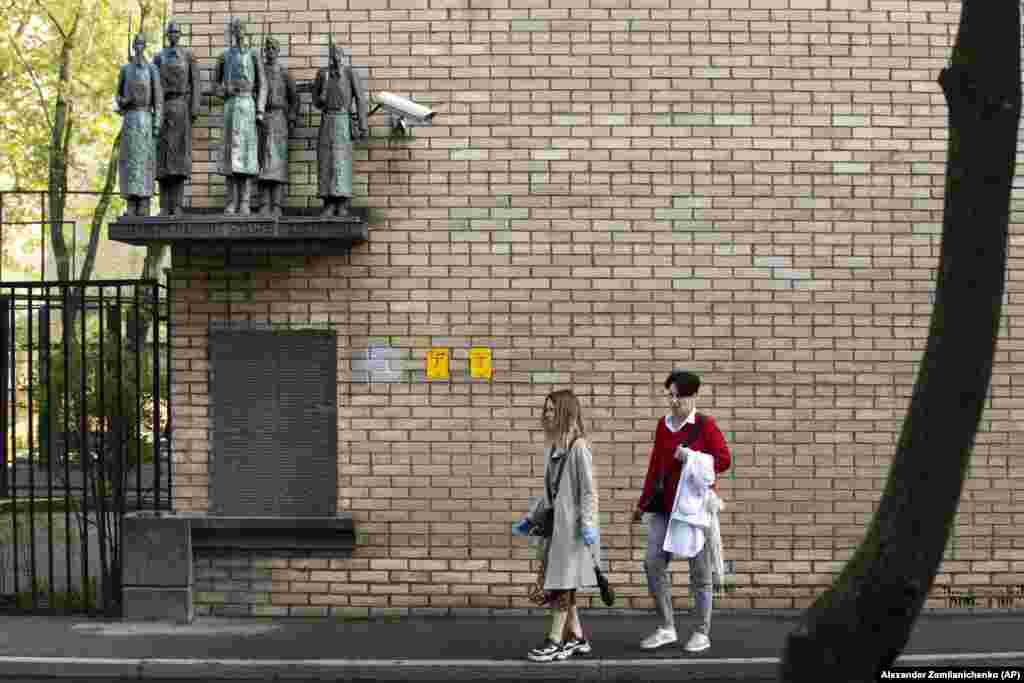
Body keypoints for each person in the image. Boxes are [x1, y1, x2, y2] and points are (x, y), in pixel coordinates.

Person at [632, 370, 731, 653]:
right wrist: (642, 503)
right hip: (664, 506)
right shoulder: (663, 426)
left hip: (693, 509)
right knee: (653, 563)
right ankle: (666, 627)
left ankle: (702, 631)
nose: (674, 401)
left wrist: (691, 456)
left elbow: (724, 461)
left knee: (699, 571)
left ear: (694, 396)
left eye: (680, 396)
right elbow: (655, 466)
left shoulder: (705, 425)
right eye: (671, 395)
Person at [511, 389, 600, 662]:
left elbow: (588, 492)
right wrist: (531, 518)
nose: (546, 414)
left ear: (565, 412)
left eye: (552, 410)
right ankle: (578, 639)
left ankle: (554, 640)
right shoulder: (556, 448)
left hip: (573, 531)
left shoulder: (579, 447)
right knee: (564, 584)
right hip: (557, 530)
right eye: (546, 409)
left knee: (561, 586)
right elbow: (550, 494)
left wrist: (588, 526)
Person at [214, 17, 265, 215]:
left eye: (241, 28)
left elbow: (263, 84)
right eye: (235, 29)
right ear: (232, 32)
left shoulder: (253, 55)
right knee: (230, 157)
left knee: (246, 155)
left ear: (245, 31)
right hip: (231, 105)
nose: (238, 32)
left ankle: (244, 201)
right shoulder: (224, 56)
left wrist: (260, 110)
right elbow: (214, 86)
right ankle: (231, 201)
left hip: (248, 106)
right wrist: (223, 90)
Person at [152, 21, 200, 216]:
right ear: (166, 35)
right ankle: (164, 205)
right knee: (163, 159)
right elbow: (153, 84)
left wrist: (194, 107)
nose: (173, 35)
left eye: (176, 32)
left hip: (181, 108)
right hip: (163, 108)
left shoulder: (188, 56)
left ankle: (178, 204)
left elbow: (196, 82)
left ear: (180, 35)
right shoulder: (158, 57)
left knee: (179, 158)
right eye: (170, 32)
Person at [313, 42, 367, 217]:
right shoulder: (323, 74)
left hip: (343, 121)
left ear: (342, 55)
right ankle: (328, 202)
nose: (335, 57)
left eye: (337, 53)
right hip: (327, 120)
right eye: (332, 54)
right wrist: (321, 95)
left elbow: (360, 99)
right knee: (326, 161)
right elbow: (316, 101)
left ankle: (342, 202)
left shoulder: (350, 74)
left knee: (342, 162)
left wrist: (362, 124)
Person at [116, 34, 162, 217]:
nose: (139, 47)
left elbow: (158, 99)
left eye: (142, 43)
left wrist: (157, 123)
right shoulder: (125, 70)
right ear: (133, 46)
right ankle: (130, 204)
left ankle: (144, 202)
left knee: (144, 162)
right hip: (130, 118)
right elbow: (117, 95)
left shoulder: (151, 69)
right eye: (137, 44)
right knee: (129, 162)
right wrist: (123, 101)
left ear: (145, 46)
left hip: (145, 119)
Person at [257, 36, 298, 217]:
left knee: (278, 163)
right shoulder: (261, 72)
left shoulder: (284, 74)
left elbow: (295, 99)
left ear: (278, 51)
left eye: (273, 48)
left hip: (280, 118)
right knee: (263, 161)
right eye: (268, 48)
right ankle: (264, 203)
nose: (270, 51)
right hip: (264, 118)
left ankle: (277, 204)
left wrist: (292, 117)